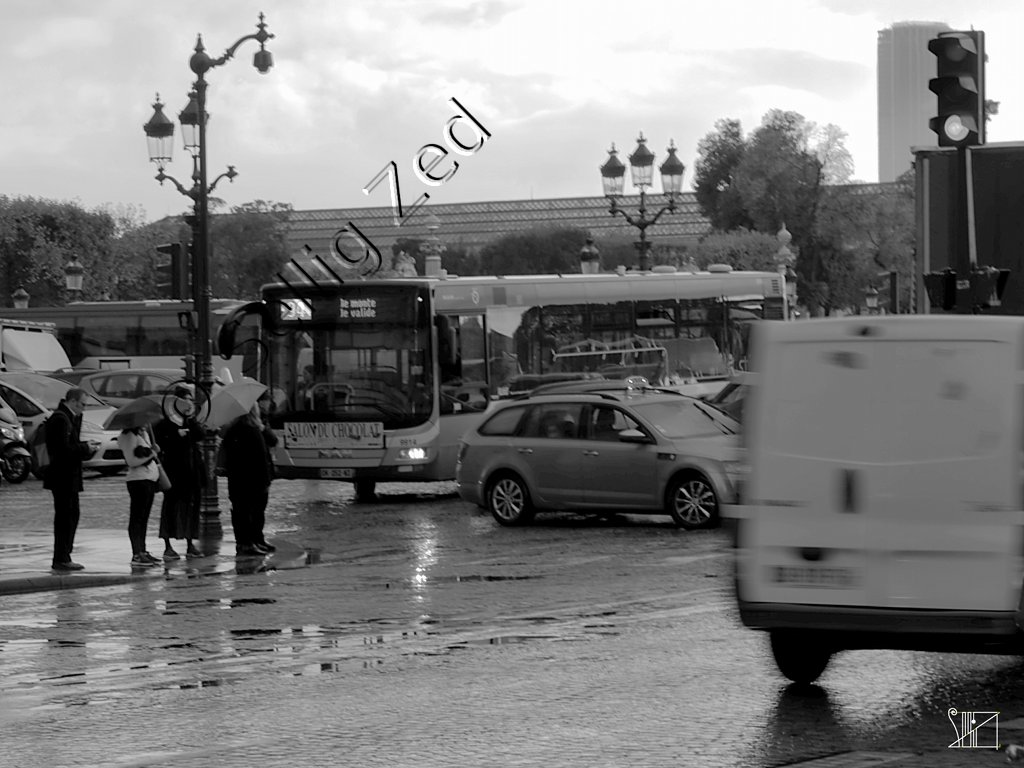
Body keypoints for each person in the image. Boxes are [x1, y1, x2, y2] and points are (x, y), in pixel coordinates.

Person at [44, 388, 96, 571]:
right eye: (83, 404)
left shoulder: (68, 418)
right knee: (66, 517)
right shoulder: (60, 419)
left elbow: (69, 447)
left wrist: (84, 449)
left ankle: (64, 555)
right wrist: (84, 448)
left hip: (67, 476)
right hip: (62, 477)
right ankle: (61, 557)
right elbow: (63, 450)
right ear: (73, 401)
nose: (84, 408)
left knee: (71, 515)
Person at [153, 385, 206, 560]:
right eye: (187, 400)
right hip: (175, 472)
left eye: (191, 400)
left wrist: (191, 420)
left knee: (191, 507)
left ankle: (190, 543)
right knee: (171, 507)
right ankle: (168, 545)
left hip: (192, 472)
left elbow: (200, 434)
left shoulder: (190, 420)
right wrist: (177, 435)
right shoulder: (165, 422)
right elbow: (162, 441)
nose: (190, 403)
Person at [222, 396, 278, 555]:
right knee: (247, 512)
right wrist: (266, 479)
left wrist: (263, 427)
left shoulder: (254, 428)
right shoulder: (245, 431)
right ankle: (247, 542)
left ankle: (254, 540)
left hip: (245, 480)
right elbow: (258, 458)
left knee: (254, 512)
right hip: (249, 480)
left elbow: (273, 441)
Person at [116, 426, 160, 567]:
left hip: (149, 479)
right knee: (137, 517)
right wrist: (152, 453)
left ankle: (143, 550)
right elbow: (132, 461)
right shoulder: (128, 436)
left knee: (144, 518)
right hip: (138, 480)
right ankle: (136, 553)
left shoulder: (141, 434)